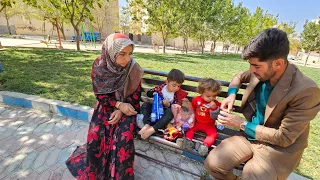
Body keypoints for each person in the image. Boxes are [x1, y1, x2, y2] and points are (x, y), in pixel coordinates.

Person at [204, 28, 320, 180]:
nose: (251, 70)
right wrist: (231, 95)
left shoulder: (306, 90)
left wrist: (242, 124)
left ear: (278, 63)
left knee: (252, 176)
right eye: (251, 65)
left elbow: (284, 137)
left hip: (278, 148)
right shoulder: (261, 72)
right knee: (212, 164)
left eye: (256, 66)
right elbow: (239, 76)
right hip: (250, 137)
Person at [65, 33, 143, 180]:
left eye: (130, 54)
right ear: (111, 52)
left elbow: (135, 94)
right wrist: (117, 105)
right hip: (106, 106)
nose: (127, 58)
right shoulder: (99, 67)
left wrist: (121, 110)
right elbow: (100, 95)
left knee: (123, 138)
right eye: (122, 54)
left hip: (128, 109)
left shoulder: (133, 68)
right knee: (96, 135)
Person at [138, 69, 188, 139]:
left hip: (165, 114)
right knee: (146, 105)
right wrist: (154, 93)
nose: (176, 88)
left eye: (179, 86)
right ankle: (147, 124)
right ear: (167, 82)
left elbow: (177, 107)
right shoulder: (161, 88)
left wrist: (169, 105)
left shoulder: (176, 94)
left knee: (170, 113)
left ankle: (153, 129)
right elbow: (149, 93)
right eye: (174, 85)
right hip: (155, 110)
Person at [177, 78, 221, 156]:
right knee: (190, 130)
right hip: (197, 123)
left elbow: (217, 115)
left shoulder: (216, 103)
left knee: (213, 134)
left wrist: (214, 108)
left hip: (209, 126)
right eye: (208, 96)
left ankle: (204, 146)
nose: (211, 98)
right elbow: (192, 110)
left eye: (214, 96)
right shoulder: (196, 100)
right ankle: (187, 141)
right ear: (201, 93)